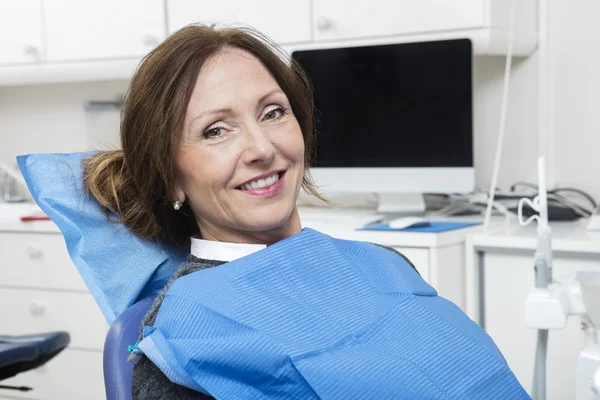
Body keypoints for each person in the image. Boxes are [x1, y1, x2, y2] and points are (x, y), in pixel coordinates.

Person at [82, 25, 526, 399]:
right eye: (216, 130)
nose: (261, 148)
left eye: (273, 112)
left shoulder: (383, 264)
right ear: (170, 176)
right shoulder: (182, 337)